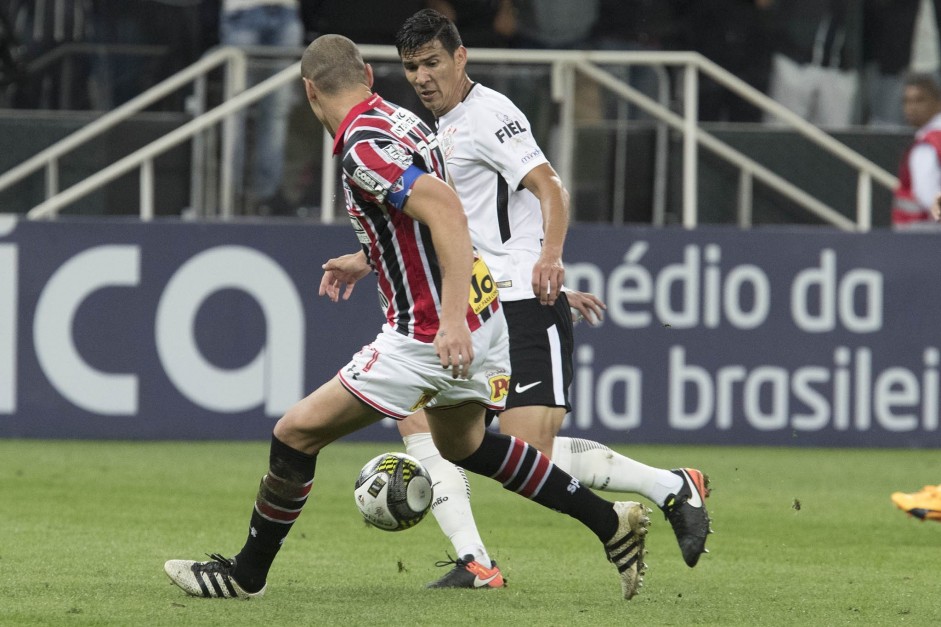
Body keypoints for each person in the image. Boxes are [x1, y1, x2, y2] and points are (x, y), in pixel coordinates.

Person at [164, 33, 652, 601]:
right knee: (466, 446)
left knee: (294, 434)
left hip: (428, 332)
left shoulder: (362, 149)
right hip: (483, 309)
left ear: (309, 92)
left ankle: (245, 576)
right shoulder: (403, 120)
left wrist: (447, 321)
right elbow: (430, 219)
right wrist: (372, 257)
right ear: (369, 76)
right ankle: (610, 523)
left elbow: (444, 210)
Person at [382, 9, 712, 586]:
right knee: (418, 421)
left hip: (518, 303)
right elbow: (460, 222)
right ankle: (475, 562)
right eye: (411, 67)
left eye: (432, 62)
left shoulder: (490, 114)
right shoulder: (435, 129)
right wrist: (366, 259)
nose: (422, 76)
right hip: (477, 305)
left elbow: (550, 186)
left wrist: (550, 259)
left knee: (522, 449)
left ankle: (669, 485)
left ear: (460, 58)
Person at [219, 0, 304, 215]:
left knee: (277, 111)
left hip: (287, 12)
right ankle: (229, 194)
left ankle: (267, 196)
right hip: (242, 12)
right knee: (234, 111)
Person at [891, 73, 941, 229]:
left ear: (938, 103)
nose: (911, 108)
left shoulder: (927, 144)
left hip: (924, 232)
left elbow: (927, 196)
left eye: (919, 100)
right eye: (906, 101)